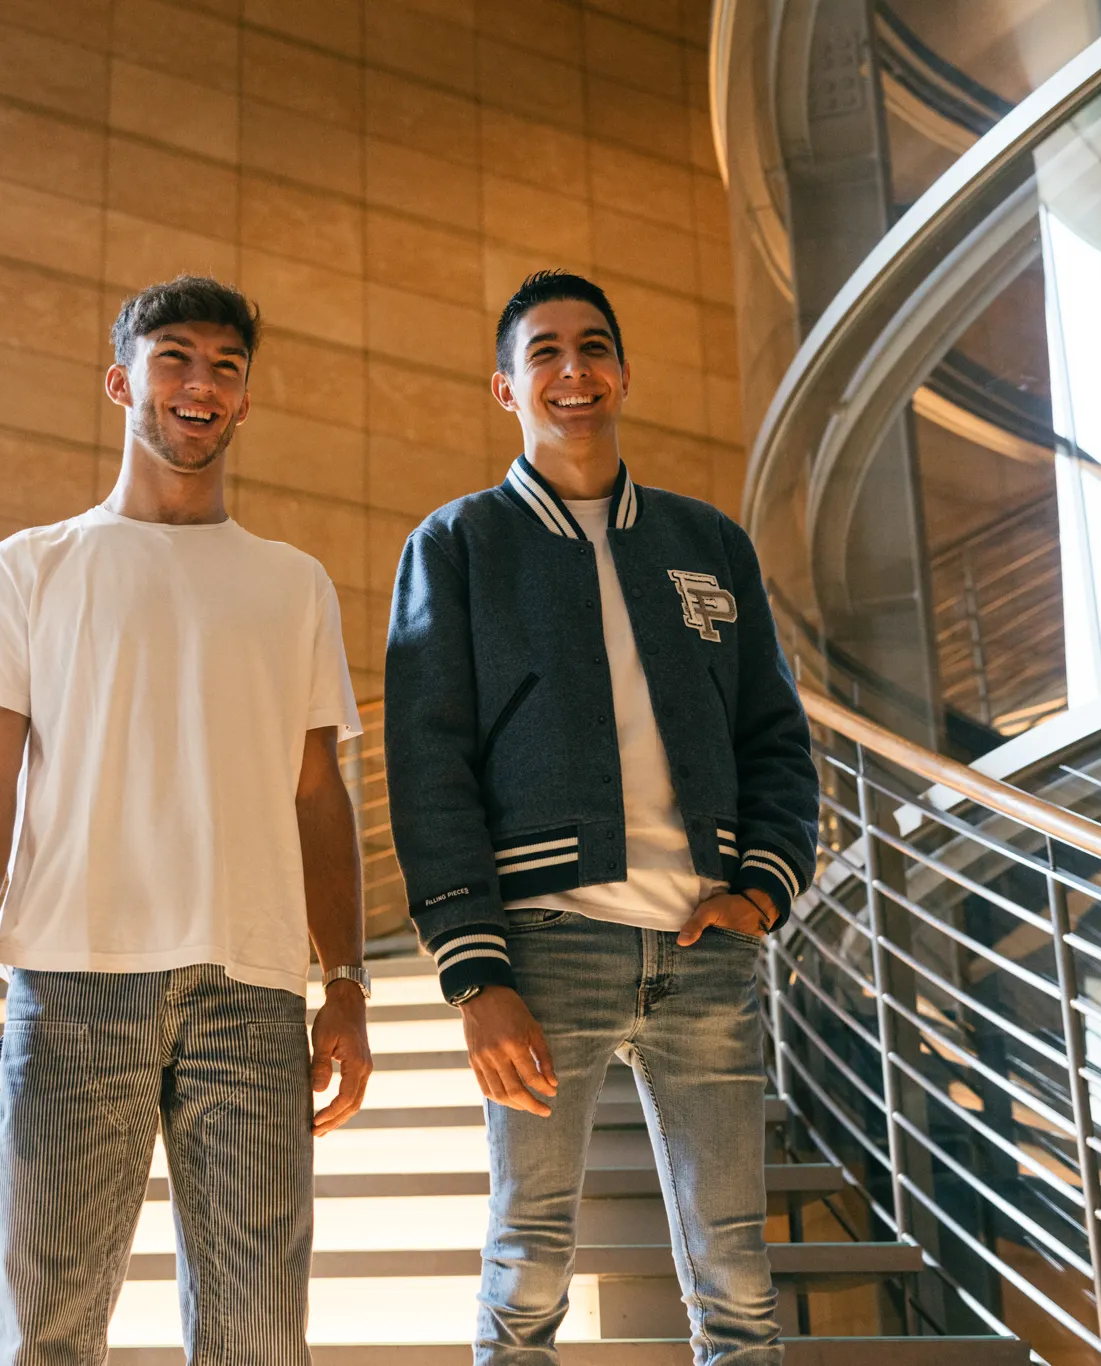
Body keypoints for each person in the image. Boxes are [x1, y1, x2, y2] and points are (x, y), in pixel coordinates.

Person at [0, 275, 374, 1366]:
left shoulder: (293, 582)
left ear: (244, 403)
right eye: (174, 357)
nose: (200, 383)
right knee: (42, 1330)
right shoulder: (28, 567)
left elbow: (319, 794)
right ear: (122, 381)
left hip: (255, 992)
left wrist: (348, 983)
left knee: (260, 1338)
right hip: (73, 978)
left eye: (226, 366)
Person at [384, 270, 819, 1364]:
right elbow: (426, 762)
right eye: (543, 352)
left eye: (592, 347)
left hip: (702, 948)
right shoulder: (458, 545)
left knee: (736, 1278)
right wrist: (474, 973)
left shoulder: (706, 542)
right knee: (525, 1265)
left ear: (621, 370)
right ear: (504, 386)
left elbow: (773, 732)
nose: (571, 371)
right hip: (544, 950)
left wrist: (761, 885)